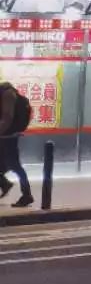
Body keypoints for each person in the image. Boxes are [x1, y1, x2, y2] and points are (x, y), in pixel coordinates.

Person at [0, 79, 33, 208]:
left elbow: (7, 118)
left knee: (16, 167)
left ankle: (27, 195)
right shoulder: (5, 93)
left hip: (8, 137)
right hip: (5, 136)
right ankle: (5, 184)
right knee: (9, 166)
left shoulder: (7, 94)